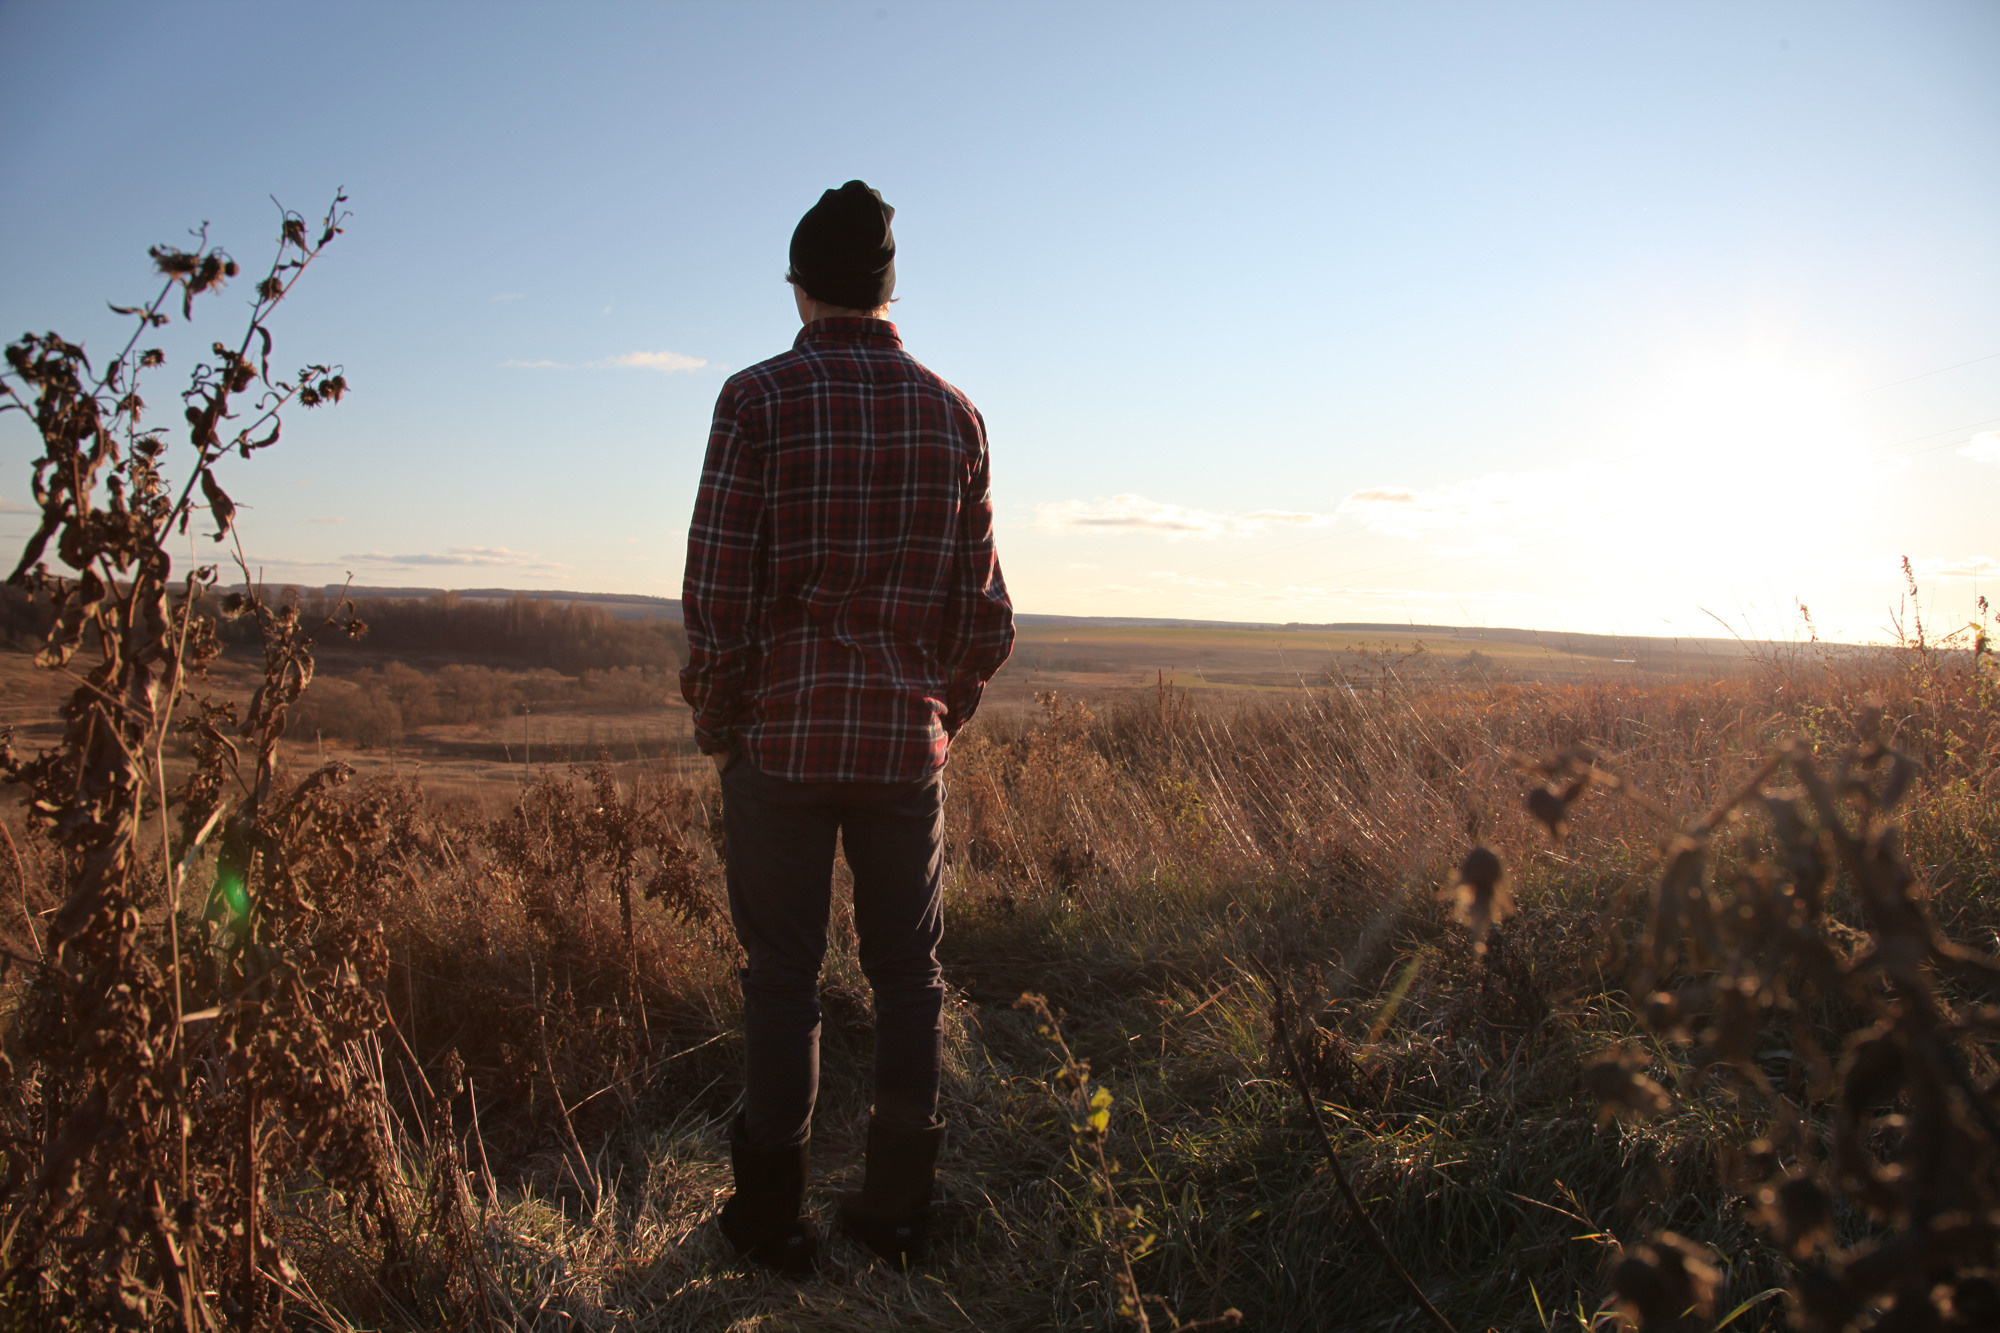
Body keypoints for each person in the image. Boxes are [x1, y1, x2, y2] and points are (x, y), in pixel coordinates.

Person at [679, 179, 1014, 1273]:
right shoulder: (953, 412)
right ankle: (896, 1211)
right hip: (902, 746)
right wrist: (936, 714)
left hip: (780, 741)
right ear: (887, 288)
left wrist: (725, 721)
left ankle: (772, 1220)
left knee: (782, 976)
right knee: (907, 975)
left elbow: (718, 591)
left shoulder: (756, 399)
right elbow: (984, 616)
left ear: (799, 286)